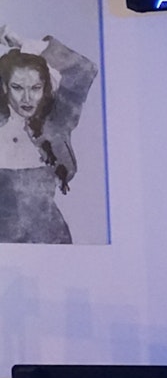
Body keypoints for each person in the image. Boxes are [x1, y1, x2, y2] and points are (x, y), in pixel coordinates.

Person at [0, 28, 98, 244]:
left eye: (35, 87)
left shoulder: (55, 122)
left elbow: (84, 70)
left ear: (45, 88)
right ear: (5, 87)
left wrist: (29, 44)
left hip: (50, 241)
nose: (27, 98)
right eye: (17, 87)